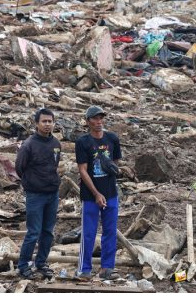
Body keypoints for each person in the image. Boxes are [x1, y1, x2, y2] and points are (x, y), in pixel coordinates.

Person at [75, 106, 123, 279]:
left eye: (101, 118)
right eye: (94, 118)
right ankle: (85, 269)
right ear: (88, 121)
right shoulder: (83, 142)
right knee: (88, 232)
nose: (99, 121)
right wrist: (96, 193)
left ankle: (107, 268)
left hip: (111, 193)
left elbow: (115, 163)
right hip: (90, 196)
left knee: (110, 231)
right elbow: (82, 170)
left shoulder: (112, 139)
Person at [14, 108, 62, 280]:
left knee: (48, 232)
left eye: (50, 121)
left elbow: (55, 165)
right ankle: (23, 265)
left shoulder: (56, 143)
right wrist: (32, 183)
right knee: (33, 232)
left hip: (52, 193)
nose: (47, 124)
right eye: (44, 121)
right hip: (35, 195)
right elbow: (19, 168)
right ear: (37, 123)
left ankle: (41, 263)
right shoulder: (28, 145)